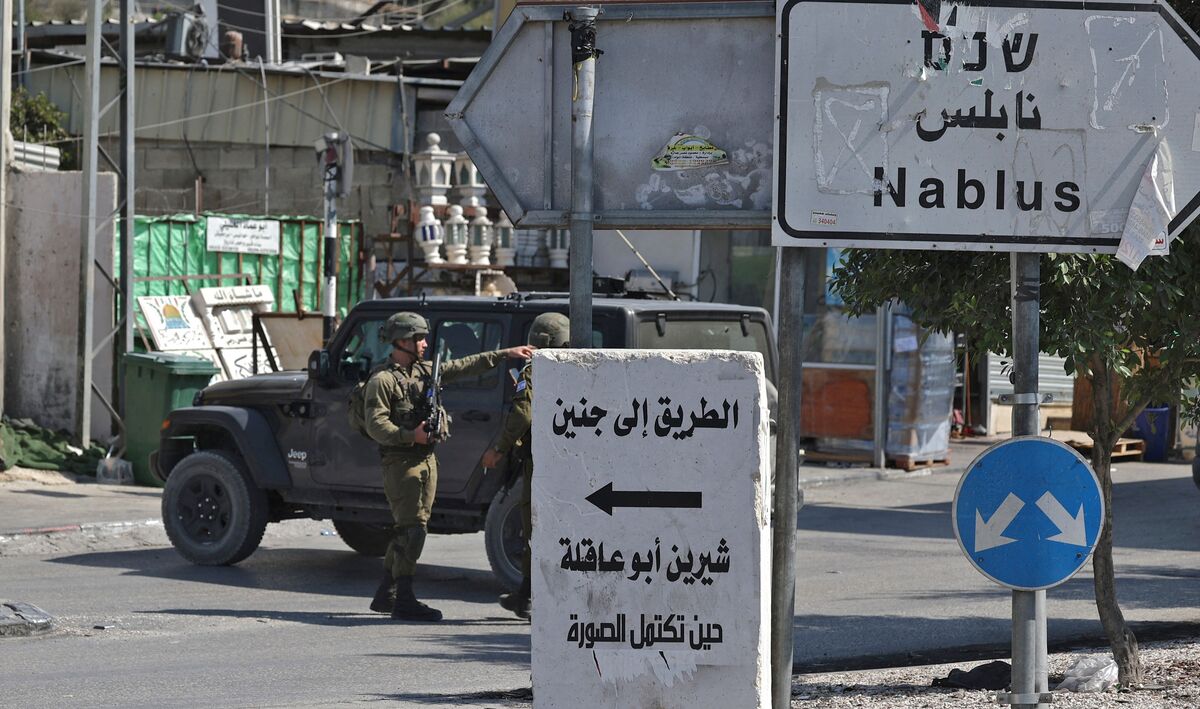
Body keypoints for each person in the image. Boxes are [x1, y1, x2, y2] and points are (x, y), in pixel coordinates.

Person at [365, 312, 535, 622]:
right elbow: (376, 425)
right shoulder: (383, 380)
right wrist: (409, 435)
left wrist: (505, 354)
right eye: (419, 338)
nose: (425, 343)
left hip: (426, 459)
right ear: (402, 341)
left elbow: (463, 366)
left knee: (412, 527)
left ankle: (386, 592)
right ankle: (402, 598)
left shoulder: (424, 371)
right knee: (412, 528)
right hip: (401, 462)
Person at [480, 312, 570, 620]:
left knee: (536, 527)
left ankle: (531, 597)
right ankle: (529, 595)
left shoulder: (536, 368)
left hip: (543, 460)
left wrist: (498, 448)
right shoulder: (578, 366)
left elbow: (522, 414)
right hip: (571, 461)